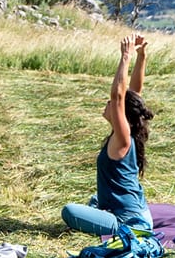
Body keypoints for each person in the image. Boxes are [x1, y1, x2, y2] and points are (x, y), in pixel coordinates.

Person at [61, 37, 154, 237]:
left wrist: (126, 56)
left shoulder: (123, 138)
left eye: (112, 104)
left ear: (122, 113)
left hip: (130, 222)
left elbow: (119, 97)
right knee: (95, 199)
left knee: (69, 211)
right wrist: (141, 57)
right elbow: (134, 94)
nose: (108, 103)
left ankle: (114, 224)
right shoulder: (126, 132)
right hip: (138, 213)